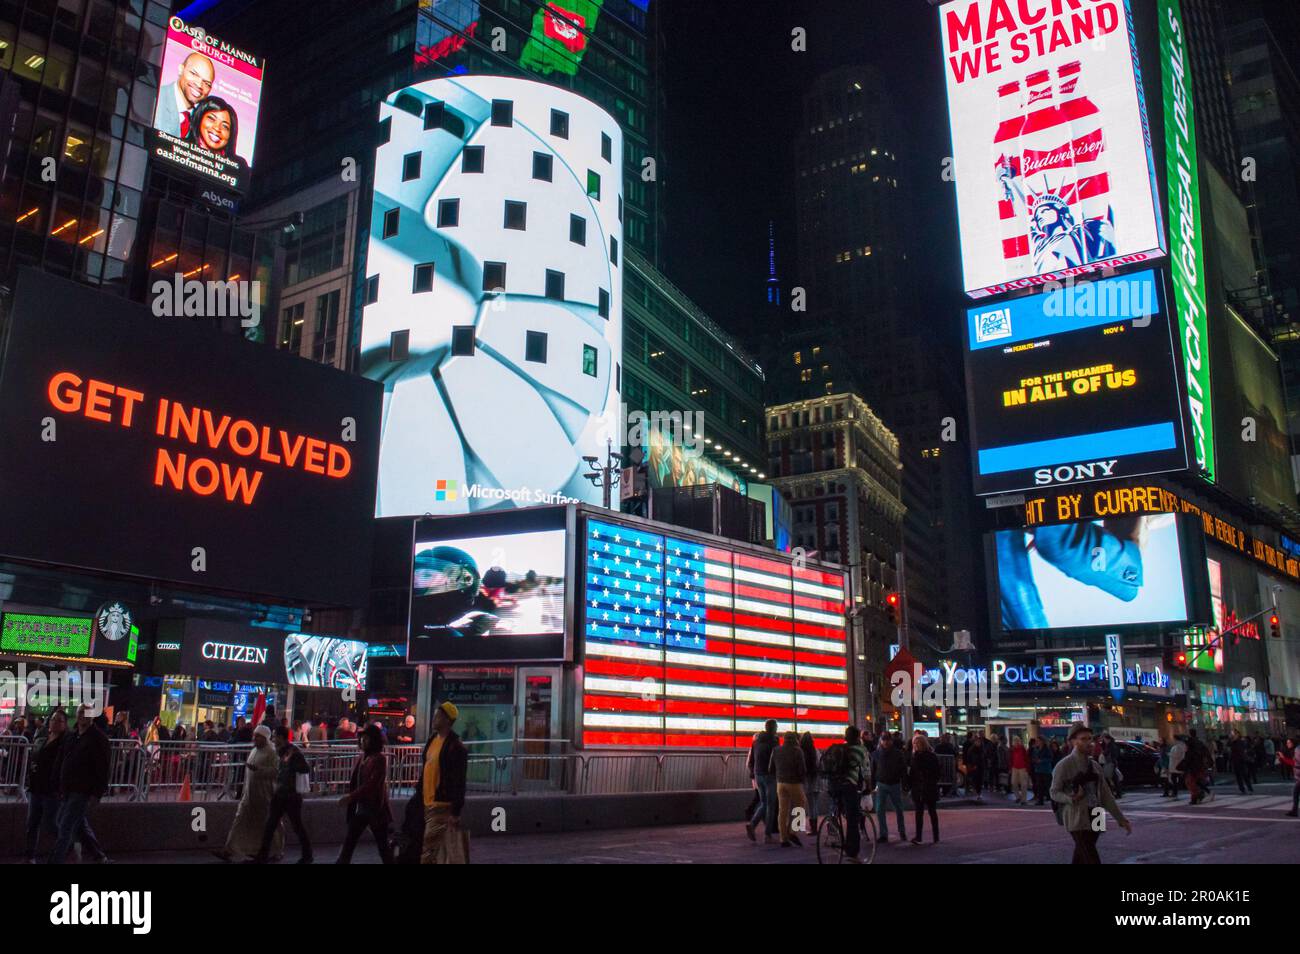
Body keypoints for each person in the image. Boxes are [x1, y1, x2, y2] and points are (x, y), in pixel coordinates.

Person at [1050, 723, 1131, 864]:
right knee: (1090, 856)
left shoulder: (1095, 766)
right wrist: (1071, 798)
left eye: (1089, 739)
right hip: (1077, 816)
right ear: (1073, 742)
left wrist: (1121, 819)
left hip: (1096, 815)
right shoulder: (1064, 765)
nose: (1089, 742)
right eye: (1083, 739)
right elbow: (1054, 792)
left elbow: (1106, 796)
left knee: (1083, 855)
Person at [48, 707, 111, 864]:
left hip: (82, 790)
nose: (82, 716)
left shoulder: (98, 739)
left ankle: (56, 859)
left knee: (65, 826)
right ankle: (91, 853)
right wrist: (56, 781)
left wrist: (97, 793)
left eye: (86, 713)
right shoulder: (72, 736)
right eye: (80, 713)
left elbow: (103, 768)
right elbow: (61, 760)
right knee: (69, 823)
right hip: (67, 789)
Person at [246, 725, 313, 864]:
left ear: (282, 737)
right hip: (280, 793)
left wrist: (290, 768)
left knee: (296, 825)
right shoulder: (281, 751)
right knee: (270, 824)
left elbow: (305, 768)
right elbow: (280, 770)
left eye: (275, 736)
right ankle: (262, 855)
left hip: (291, 796)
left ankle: (308, 855)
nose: (273, 739)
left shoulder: (293, 751)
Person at [215, 725, 281, 862]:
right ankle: (229, 849)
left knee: (269, 824)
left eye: (258, 736)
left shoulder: (272, 752)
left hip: (265, 795)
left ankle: (276, 850)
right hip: (250, 794)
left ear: (265, 738)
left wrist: (259, 770)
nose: (254, 738)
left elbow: (276, 772)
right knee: (239, 820)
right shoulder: (254, 751)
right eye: (254, 735)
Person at [336, 725, 394, 864]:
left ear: (373, 740)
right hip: (362, 808)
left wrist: (351, 797)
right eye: (361, 738)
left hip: (375, 809)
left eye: (366, 738)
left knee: (383, 847)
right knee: (349, 842)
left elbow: (372, 785)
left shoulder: (379, 759)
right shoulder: (363, 757)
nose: (362, 741)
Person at [420, 701, 469, 864]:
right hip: (427, 803)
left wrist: (455, 811)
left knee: (428, 851)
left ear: (448, 720)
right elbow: (426, 768)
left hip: (441, 805)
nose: (434, 719)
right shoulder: (432, 740)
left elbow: (459, 781)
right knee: (438, 852)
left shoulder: (456, 747)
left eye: (438, 716)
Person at [23, 710, 68, 862]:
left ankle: (64, 847)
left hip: (51, 790)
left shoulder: (65, 743)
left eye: (59, 720)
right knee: (32, 823)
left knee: (50, 824)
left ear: (65, 725)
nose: (55, 722)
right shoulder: (41, 739)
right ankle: (30, 856)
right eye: (53, 719)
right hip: (36, 787)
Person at [828, 725, 869, 863]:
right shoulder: (860, 749)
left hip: (834, 786)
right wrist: (868, 786)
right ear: (858, 737)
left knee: (838, 809)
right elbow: (866, 770)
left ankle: (832, 826)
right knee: (853, 819)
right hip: (849, 785)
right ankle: (852, 853)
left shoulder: (839, 749)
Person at [155, 51, 214, 138]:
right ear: (181, 69)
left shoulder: (200, 120)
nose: (199, 85)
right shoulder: (156, 97)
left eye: (207, 83)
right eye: (194, 74)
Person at [770, 731, 808, 847]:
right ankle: (793, 831)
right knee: (801, 805)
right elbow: (802, 769)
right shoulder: (797, 751)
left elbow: (770, 768)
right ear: (795, 740)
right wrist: (802, 780)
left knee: (783, 811)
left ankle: (783, 839)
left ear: (784, 739)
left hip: (780, 783)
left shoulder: (776, 750)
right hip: (794, 782)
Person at [744, 719, 779, 844]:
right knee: (770, 805)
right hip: (770, 776)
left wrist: (753, 773)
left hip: (758, 775)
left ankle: (753, 825)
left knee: (763, 803)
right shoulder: (774, 741)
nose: (777, 729)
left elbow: (752, 758)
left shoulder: (756, 741)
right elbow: (776, 759)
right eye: (776, 726)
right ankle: (767, 835)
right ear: (773, 728)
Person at [872, 731, 907, 843]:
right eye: (884, 740)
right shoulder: (877, 754)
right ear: (881, 741)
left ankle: (900, 831)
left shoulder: (896, 753)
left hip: (893, 783)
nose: (886, 742)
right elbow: (873, 770)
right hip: (883, 783)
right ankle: (884, 833)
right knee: (880, 809)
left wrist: (905, 783)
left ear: (891, 741)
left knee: (897, 808)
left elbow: (903, 769)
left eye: (887, 740)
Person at [908, 733, 941, 845]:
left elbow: (936, 772)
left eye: (917, 743)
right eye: (914, 743)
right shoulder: (916, 756)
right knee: (920, 813)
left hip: (927, 786)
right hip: (919, 787)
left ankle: (935, 836)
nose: (915, 745)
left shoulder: (928, 756)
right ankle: (919, 836)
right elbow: (912, 773)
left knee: (931, 812)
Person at [799, 730, 819, 832]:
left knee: (802, 804)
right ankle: (814, 827)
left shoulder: (801, 752)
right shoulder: (815, 751)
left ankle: (798, 827)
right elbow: (820, 765)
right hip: (815, 780)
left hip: (805, 781)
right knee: (814, 804)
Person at [1031, 737, 1054, 806]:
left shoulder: (1047, 749)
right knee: (1039, 786)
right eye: (1037, 741)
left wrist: (1042, 761)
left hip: (1046, 770)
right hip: (1038, 769)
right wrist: (1034, 761)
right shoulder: (1035, 749)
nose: (1037, 742)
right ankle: (1040, 800)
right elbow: (1033, 757)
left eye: (1038, 741)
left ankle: (1052, 799)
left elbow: (1050, 758)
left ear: (1042, 741)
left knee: (1048, 785)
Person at [1009, 736, 1031, 805]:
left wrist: (1027, 768)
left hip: (1023, 768)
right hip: (1015, 768)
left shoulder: (1022, 749)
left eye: (1017, 741)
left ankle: (1024, 800)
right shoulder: (1012, 750)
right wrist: (1010, 768)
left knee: (1023, 784)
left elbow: (1026, 758)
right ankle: (1018, 797)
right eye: (1015, 741)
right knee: (1013, 782)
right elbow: (1011, 759)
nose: (1016, 742)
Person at [963, 734, 985, 802]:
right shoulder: (972, 749)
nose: (978, 743)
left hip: (980, 766)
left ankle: (978, 792)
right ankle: (977, 792)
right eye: (977, 742)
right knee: (975, 780)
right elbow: (969, 758)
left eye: (979, 742)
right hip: (974, 767)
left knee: (979, 780)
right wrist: (972, 765)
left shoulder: (981, 749)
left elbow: (983, 757)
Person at [1167, 735, 1187, 800]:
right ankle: (1175, 792)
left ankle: (1175, 792)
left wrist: (1169, 754)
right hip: (1177, 765)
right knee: (1175, 779)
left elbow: (1177, 755)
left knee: (1174, 779)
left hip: (1176, 765)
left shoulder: (1178, 746)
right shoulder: (1181, 745)